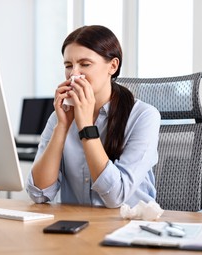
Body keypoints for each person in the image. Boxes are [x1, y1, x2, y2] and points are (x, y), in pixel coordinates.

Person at [26, 25, 160, 208]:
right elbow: (38, 194)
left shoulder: (144, 116)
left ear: (113, 66)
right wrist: (62, 127)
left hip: (129, 228)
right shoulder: (59, 118)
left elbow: (116, 196)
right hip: (76, 228)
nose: (74, 73)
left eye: (85, 64)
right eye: (68, 65)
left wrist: (86, 126)